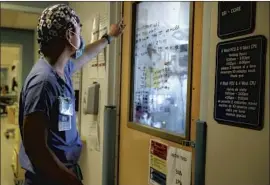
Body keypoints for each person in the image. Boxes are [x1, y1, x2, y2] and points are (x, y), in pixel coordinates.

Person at [18, 4, 125, 185]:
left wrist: (108, 38)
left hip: (58, 174)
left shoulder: (61, 69)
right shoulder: (43, 82)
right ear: (69, 35)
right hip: (48, 179)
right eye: (78, 30)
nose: (81, 36)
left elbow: (85, 55)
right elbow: (36, 149)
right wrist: (71, 181)